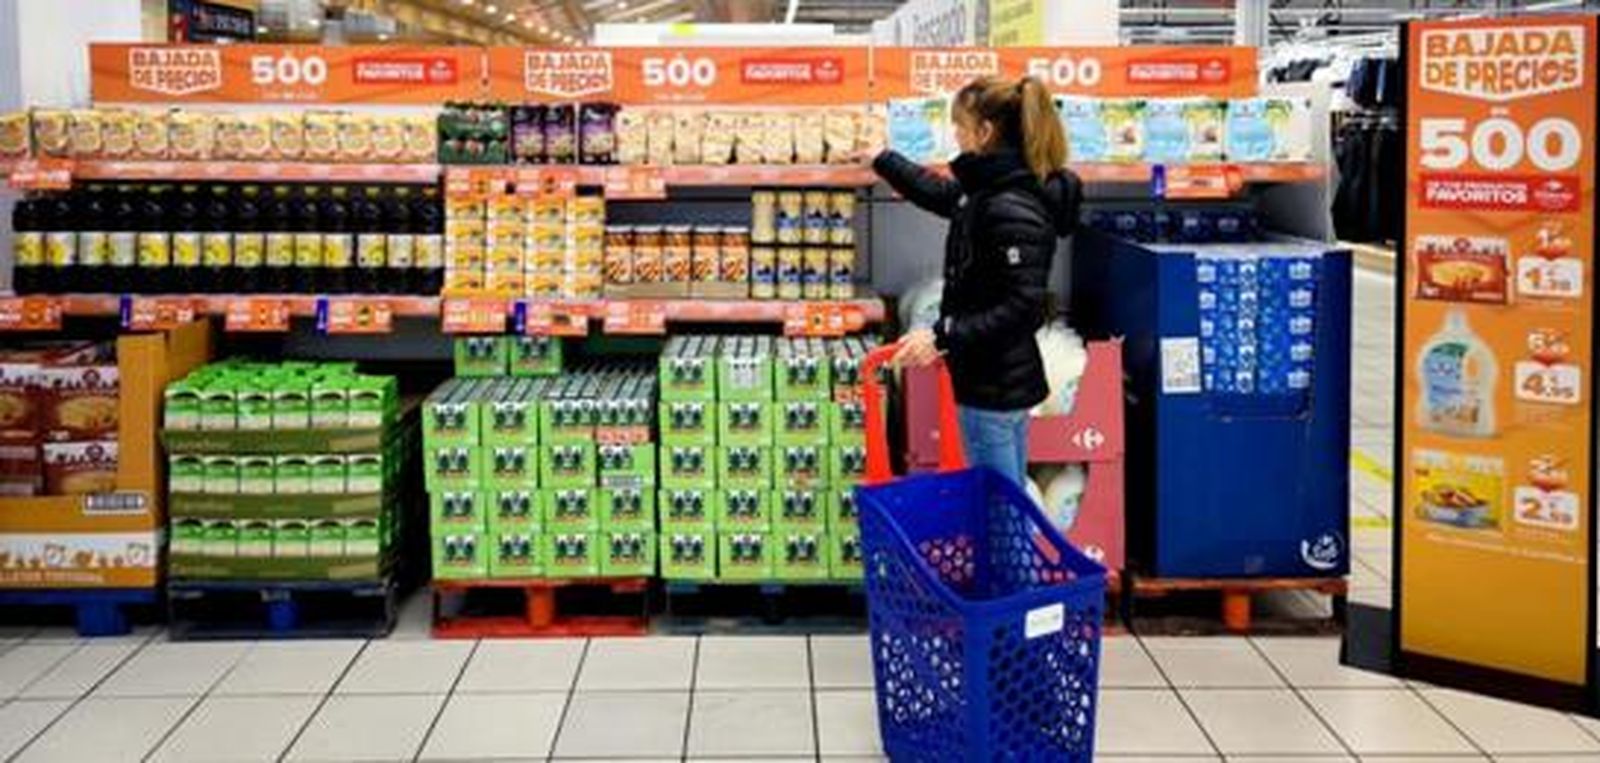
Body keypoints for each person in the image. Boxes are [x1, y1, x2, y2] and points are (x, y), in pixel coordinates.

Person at [870, 75, 1082, 488]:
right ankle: (1006, 553)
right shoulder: (995, 192)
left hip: (994, 388)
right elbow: (944, 195)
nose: (956, 137)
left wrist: (943, 335)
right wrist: (882, 158)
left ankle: (1004, 556)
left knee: (998, 509)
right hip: (995, 379)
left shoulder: (1009, 205)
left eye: (960, 128)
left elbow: (1022, 307)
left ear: (984, 132)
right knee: (1006, 500)